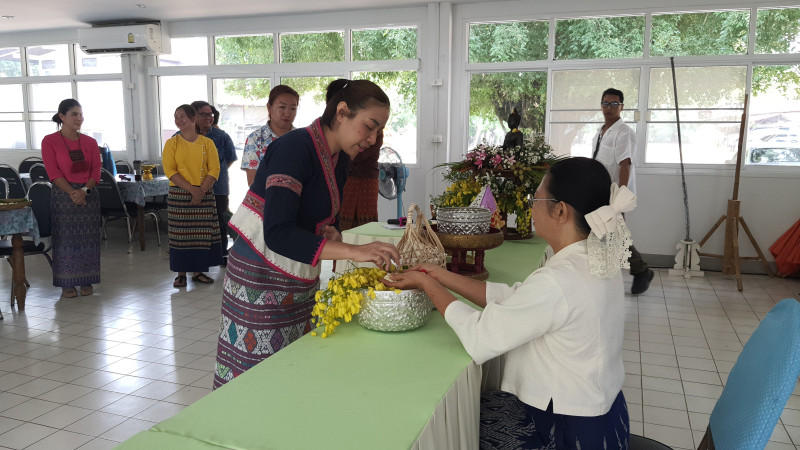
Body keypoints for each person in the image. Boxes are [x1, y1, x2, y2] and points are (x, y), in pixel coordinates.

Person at [385, 157, 633, 449]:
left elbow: (480, 336)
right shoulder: (597, 260)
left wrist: (428, 286)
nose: (531, 207)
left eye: (536, 199)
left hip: (564, 431)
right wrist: (442, 276)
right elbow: (520, 299)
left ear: (561, 211)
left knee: (453, 429)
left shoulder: (560, 280)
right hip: (604, 418)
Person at [213, 79, 401, 389]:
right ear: (342, 112)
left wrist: (329, 229)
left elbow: (317, 213)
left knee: (291, 369)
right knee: (256, 377)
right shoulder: (294, 148)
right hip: (260, 278)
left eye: (378, 131)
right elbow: (278, 232)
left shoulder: (340, 157)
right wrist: (356, 251)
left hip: (297, 276)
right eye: (369, 127)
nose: (372, 139)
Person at [593, 87, 654, 294]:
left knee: (615, 235)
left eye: (613, 104)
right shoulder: (601, 131)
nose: (608, 108)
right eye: (605, 103)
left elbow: (625, 164)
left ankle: (641, 270)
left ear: (621, 107)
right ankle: (638, 270)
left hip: (614, 194)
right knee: (608, 234)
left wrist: (620, 196)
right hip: (600, 190)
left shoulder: (624, 132)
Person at [41, 99, 102, 298]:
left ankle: (87, 279)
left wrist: (83, 191)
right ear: (62, 116)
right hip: (63, 196)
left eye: (81, 114)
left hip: (88, 195)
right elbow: (53, 172)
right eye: (74, 114)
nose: (79, 118)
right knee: (65, 239)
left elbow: (96, 171)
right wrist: (72, 193)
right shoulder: (49, 141)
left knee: (88, 239)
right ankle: (66, 282)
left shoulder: (90, 142)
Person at [162, 104, 223, 288]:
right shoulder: (172, 143)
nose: (178, 120)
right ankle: (180, 274)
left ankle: (198, 272)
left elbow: (214, 170)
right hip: (179, 195)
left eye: (182, 116)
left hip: (204, 193)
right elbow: (170, 170)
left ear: (193, 118)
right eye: (176, 117)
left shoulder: (207, 143)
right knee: (180, 236)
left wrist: (201, 191)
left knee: (201, 235)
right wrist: (191, 190)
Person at [326, 81, 383, 231]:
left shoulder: (369, 128)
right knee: (340, 223)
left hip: (365, 179)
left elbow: (355, 155)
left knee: (366, 225)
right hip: (343, 179)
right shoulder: (326, 128)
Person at [191, 100, 238, 264]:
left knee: (220, 221)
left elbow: (230, 159)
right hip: (191, 188)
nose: (208, 117)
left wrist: (214, 174)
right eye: (203, 114)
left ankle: (221, 255)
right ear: (193, 116)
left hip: (218, 187)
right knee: (195, 224)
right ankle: (197, 257)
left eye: (210, 114)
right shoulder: (182, 136)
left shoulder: (221, 136)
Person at [240, 85, 300, 186]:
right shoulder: (255, 139)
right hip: (266, 195)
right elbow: (253, 183)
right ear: (269, 108)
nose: (287, 113)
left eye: (293, 108)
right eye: (282, 107)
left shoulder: (302, 139)